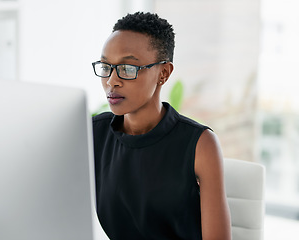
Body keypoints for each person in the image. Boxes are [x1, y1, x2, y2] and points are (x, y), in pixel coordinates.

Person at [92, 12, 231, 240]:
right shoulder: (94, 134)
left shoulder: (200, 144)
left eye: (127, 68)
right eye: (106, 66)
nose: (111, 80)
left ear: (163, 73)